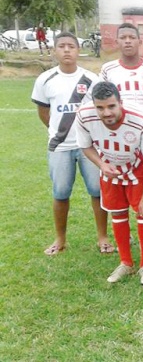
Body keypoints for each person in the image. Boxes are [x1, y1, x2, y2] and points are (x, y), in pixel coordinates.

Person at [31, 32, 110, 256]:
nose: (67, 50)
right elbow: (43, 112)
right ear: (55, 50)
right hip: (60, 147)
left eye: (71, 46)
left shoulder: (91, 79)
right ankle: (60, 239)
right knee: (61, 193)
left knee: (97, 191)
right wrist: (59, 132)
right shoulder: (45, 79)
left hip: (88, 147)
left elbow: (100, 110)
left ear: (78, 51)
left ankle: (103, 237)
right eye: (62, 46)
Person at [76, 82, 143, 284]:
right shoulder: (84, 115)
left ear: (120, 103)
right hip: (110, 169)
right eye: (100, 107)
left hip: (137, 167)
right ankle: (126, 263)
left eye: (111, 106)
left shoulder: (140, 119)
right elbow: (85, 146)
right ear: (94, 105)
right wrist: (101, 164)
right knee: (118, 213)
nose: (106, 112)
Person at [100, 23, 143, 251]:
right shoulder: (108, 70)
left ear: (140, 41)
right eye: (123, 37)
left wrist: (142, 124)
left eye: (132, 37)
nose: (127, 41)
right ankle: (124, 236)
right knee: (118, 182)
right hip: (117, 139)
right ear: (117, 42)